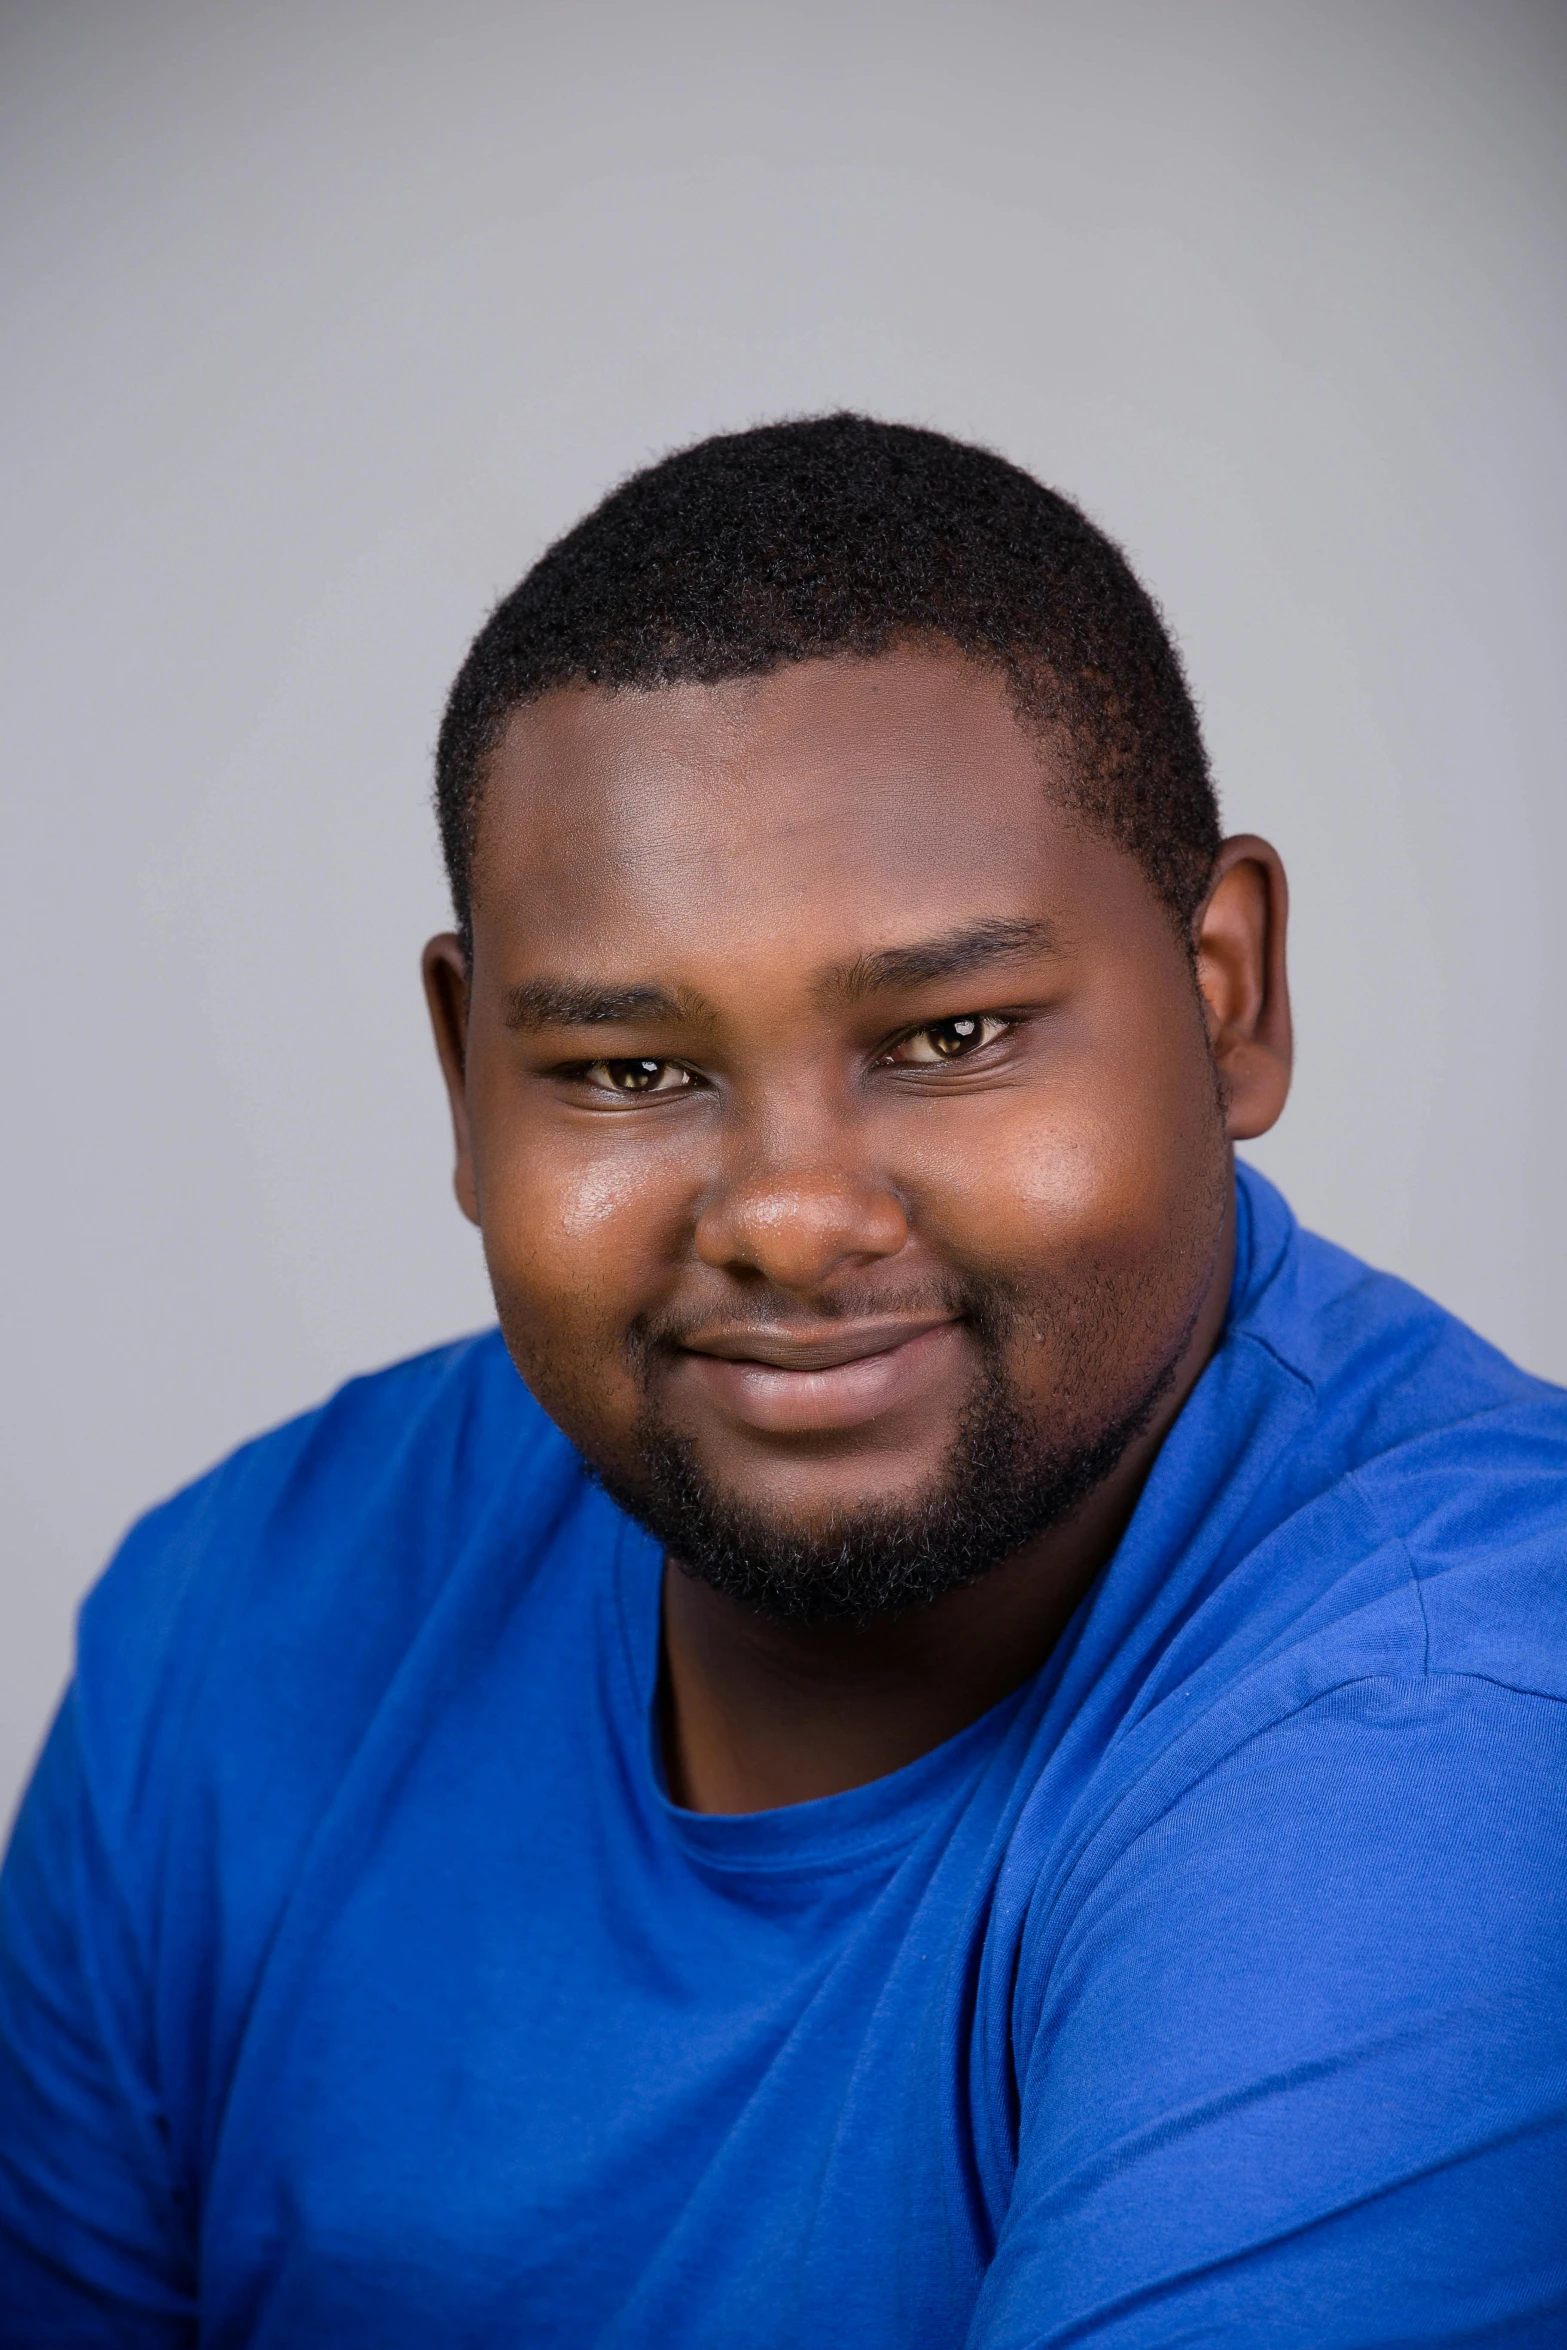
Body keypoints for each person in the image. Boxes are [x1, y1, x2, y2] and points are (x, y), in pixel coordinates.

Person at [1, 415, 1563, 2348]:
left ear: (1225, 993)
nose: (792, 1218)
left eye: (950, 1031)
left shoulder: (1456, 1722)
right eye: (628, 1071)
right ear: (462, 1073)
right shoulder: (230, 1635)